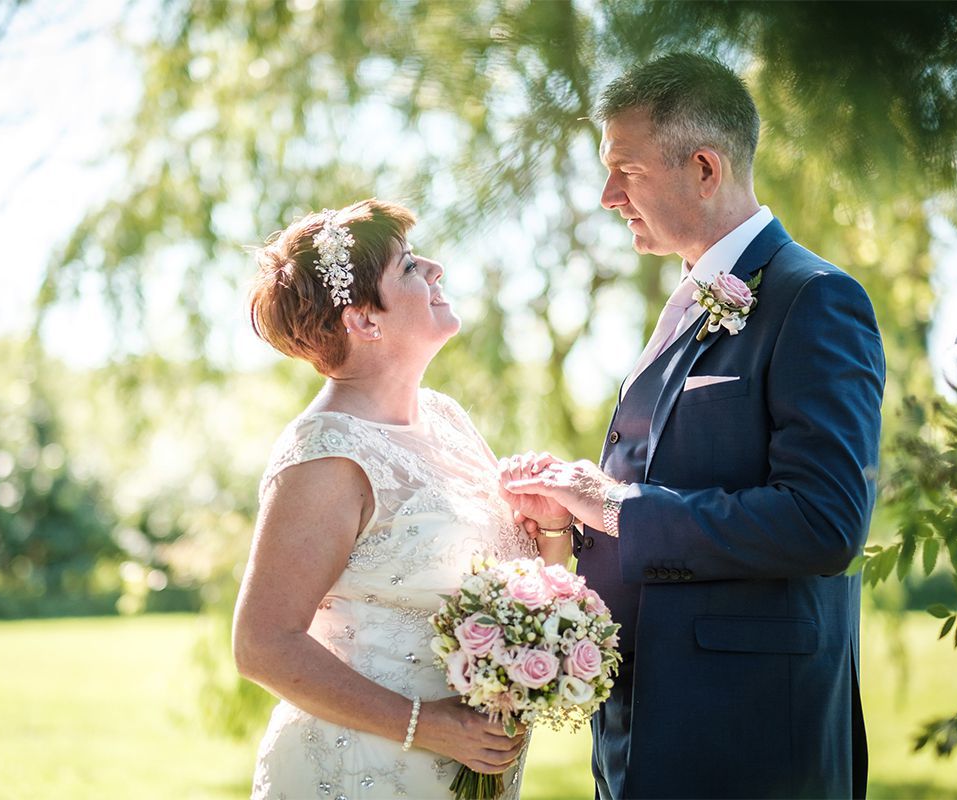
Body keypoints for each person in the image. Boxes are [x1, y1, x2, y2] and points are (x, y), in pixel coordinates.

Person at [501, 53, 885, 799]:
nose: (608, 195)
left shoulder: (816, 300)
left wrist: (616, 505)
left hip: (751, 742)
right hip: (641, 729)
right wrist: (572, 520)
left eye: (626, 170)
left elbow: (826, 523)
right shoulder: (686, 301)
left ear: (704, 168)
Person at [233, 199, 570, 799]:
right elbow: (262, 643)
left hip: (470, 772)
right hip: (358, 771)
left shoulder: (446, 417)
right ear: (364, 320)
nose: (436, 269)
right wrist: (430, 727)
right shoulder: (327, 453)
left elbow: (509, 596)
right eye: (410, 266)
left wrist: (549, 534)